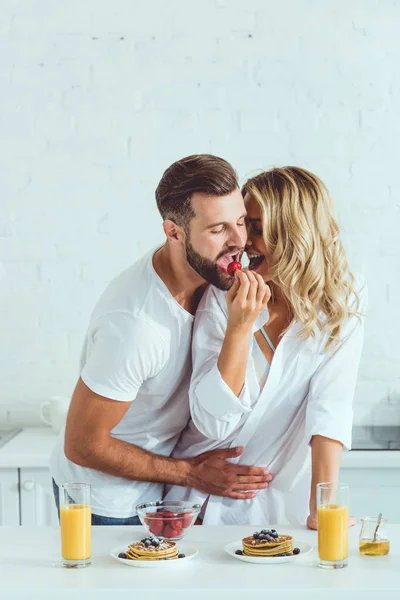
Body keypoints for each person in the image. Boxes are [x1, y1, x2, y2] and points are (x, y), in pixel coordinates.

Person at [49, 154, 272, 524]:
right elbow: (83, 444)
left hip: (162, 487)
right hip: (105, 501)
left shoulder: (211, 279)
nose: (239, 241)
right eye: (218, 230)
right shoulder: (136, 326)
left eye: (240, 222)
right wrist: (189, 473)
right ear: (173, 232)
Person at [165, 166, 367, 529]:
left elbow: (329, 409)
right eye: (243, 224)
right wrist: (239, 326)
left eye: (255, 228)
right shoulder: (221, 295)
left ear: (293, 235)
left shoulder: (341, 301)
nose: (242, 241)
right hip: (196, 508)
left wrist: (322, 508)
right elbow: (211, 421)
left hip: (276, 509)